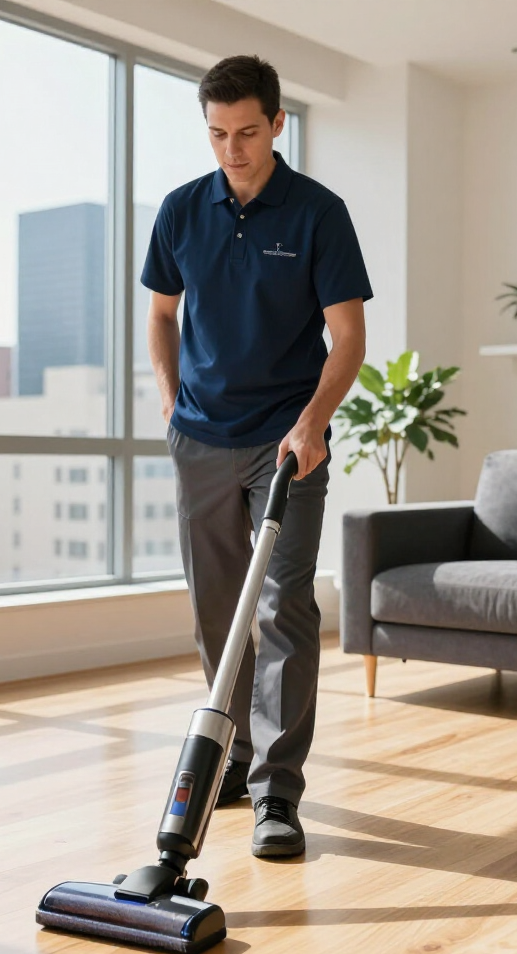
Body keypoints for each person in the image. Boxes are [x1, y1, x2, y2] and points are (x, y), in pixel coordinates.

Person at [142, 54, 371, 858]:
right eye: (216, 134)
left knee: (283, 608)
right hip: (200, 437)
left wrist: (312, 423)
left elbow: (348, 338)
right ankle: (233, 760)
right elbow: (163, 315)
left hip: (287, 442)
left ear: (277, 123)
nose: (231, 149)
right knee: (216, 610)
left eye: (246, 132)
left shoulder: (317, 213)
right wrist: (171, 404)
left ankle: (278, 793)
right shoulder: (180, 211)